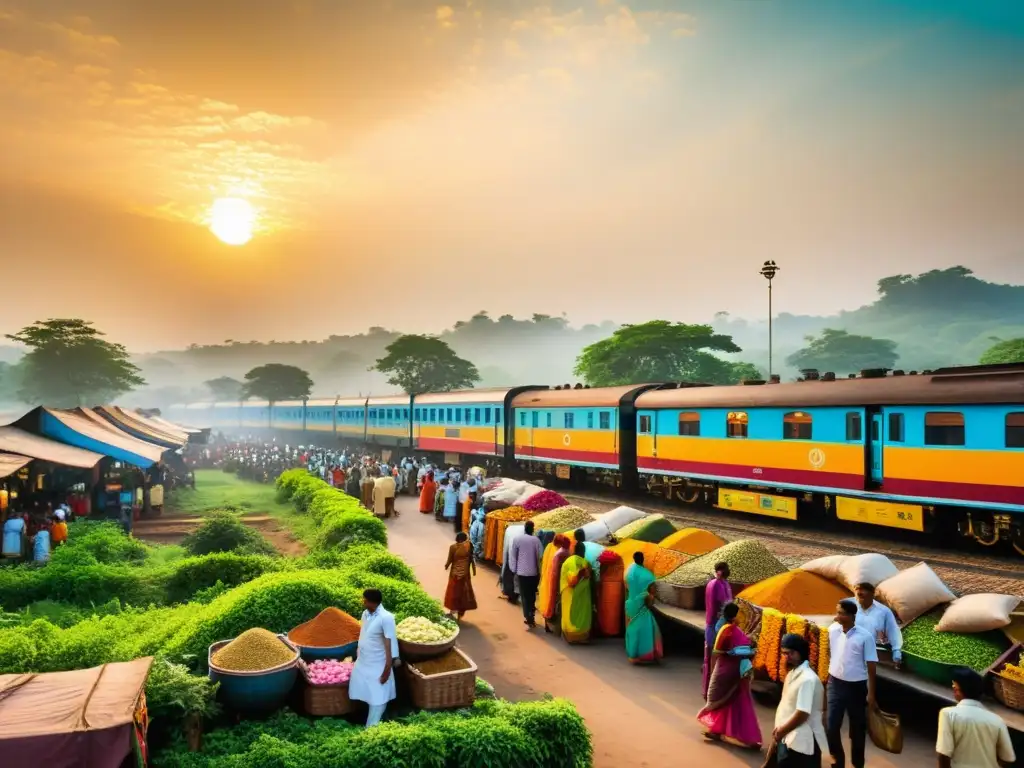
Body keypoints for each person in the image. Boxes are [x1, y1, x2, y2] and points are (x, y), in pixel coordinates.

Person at [696, 602, 761, 749]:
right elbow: (718, 653)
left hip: (732, 672)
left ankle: (720, 731)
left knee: (732, 701)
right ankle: (722, 731)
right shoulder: (727, 629)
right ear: (735, 615)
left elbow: (720, 652)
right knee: (734, 702)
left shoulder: (732, 629)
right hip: (730, 671)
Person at [826, 598, 878, 768]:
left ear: (850, 616)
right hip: (835, 684)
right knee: (831, 726)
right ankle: (838, 760)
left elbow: (871, 666)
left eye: (840, 613)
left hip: (856, 688)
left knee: (857, 730)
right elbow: (828, 652)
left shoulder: (865, 637)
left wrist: (871, 693)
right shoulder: (832, 630)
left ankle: (857, 764)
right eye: (837, 612)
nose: (837, 616)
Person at [936, 667, 1016, 768]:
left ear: (957, 690)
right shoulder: (997, 721)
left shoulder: (948, 714)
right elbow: (1007, 758)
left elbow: (944, 754)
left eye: (954, 686)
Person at [773, 633, 828, 767]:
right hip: (789, 739)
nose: (787, 657)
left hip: (803, 743)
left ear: (800, 653)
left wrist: (781, 731)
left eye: (790, 653)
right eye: (785, 654)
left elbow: (802, 713)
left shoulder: (807, 679)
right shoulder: (792, 674)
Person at [348, 588, 399, 727]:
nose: (362, 601)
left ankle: (371, 728)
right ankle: (366, 719)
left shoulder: (386, 618)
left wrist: (387, 670)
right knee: (364, 691)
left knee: (378, 697)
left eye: (363, 599)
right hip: (364, 661)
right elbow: (363, 634)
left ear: (369, 601)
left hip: (378, 664)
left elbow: (391, 643)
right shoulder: (365, 614)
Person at [624, 551, 663, 664]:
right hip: (642, 604)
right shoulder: (648, 575)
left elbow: (627, 587)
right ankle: (644, 653)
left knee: (632, 629)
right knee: (645, 628)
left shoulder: (629, 572)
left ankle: (632, 654)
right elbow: (652, 592)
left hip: (631, 604)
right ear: (643, 559)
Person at [854, 582, 903, 669]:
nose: (860, 595)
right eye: (858, 594)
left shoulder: (883, 612)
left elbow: (893, 630)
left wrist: (896, 650)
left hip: (873, 653)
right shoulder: (851, 607)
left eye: (863, 593)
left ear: (873, 595)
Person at [703, 561, 734, 699]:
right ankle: (710, 692)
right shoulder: (716, 584)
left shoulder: (724, 583)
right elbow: (724, 604)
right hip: (715, 625)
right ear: (720, 571)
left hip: (719, 624)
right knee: (712, 658)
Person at [509, 520, 544, 628]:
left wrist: (513, 569)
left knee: (524, 596)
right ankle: (531, 615)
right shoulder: (536, 540)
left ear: (525, 528)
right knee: (532, 594)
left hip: (521, 572)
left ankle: (528, 616)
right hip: (534, 573)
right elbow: (541, 555)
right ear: (533, 529)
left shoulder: (517, 539)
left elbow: (513, 556)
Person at [559, 541, 593, 644]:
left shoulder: (568, 561)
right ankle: (581, 636)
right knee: (582, 614)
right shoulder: (584, 562)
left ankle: (570, 635)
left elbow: (572, 579)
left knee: (568, 613)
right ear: (583, 551)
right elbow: (575, 579)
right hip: (579, 594)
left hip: (569, 593)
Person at [539, 534, 571, 634]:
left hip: (552, 580)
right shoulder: (565, 553)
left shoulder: (555, 551)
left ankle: (548, 624)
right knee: (555, 602)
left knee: (550, 601)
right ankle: (554, 625)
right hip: (559, 581)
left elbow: (550, 568)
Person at [443, 531, 477, 621]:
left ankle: (452, 612)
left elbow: (449, 559)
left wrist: (446, 566)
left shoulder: (453, 547)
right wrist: (473, 570)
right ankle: (460, 613)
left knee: (453, 593)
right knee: (464, 594)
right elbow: (471, 558)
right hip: (465, 575)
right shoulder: (469, 546)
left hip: (455, 574)